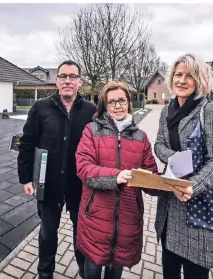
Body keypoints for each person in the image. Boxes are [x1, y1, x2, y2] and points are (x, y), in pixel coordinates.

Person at [17, 60, 97, 279]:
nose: (68, 81)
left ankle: (84, 271)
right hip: (48, 184)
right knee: (47, 233)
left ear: (80, 81)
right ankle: (45, 274)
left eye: (72, 77)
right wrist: (25, 178)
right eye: (63, 76)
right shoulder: (41, 108)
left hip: (79, 186)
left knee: (81, 233)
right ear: (57, 81)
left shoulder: (91, 111)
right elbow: (27, 143)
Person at [154, 53, 213, 279]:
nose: (182, 80)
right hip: (170, 206)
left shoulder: (212, 111)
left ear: (200, 80)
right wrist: (177, 158)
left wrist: (192, 186)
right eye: (178, 74)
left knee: (195, 273)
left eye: (189, 75)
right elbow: (158, 145)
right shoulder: (166, 111)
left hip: (199, 205)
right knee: (170, 271)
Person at [74, 81, 160, 279]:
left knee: (116, 269)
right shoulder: (92, 131)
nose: (117, 106)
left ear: (128, 102)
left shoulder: (141, 137)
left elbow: (150, 175)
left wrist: (170, 184)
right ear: (104, 106)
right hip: (95, 218)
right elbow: (84, 168)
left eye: (121, 100)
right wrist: (116, 176)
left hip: (128, 220)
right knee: (92, 269)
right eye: (111, 102)